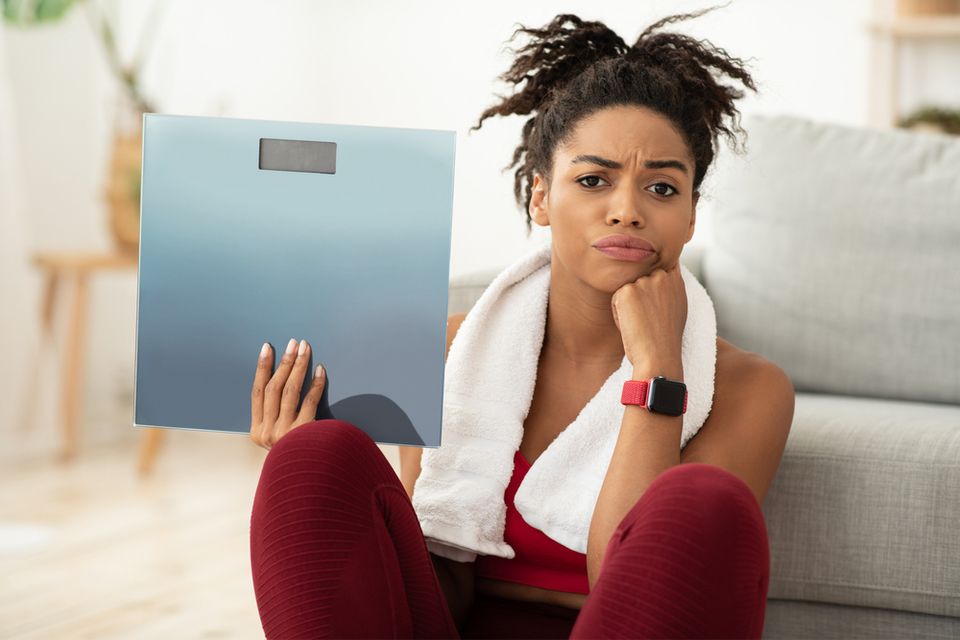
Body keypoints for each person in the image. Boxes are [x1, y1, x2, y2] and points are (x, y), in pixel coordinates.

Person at [249, 5, 796, 639]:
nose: (626, 210)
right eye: (594, 179)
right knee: (313, 455)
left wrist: (657, 371)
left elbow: (624, 577)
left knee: (704, 504)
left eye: (663, 189)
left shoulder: (750, 389)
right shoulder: (457, 351)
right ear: (541, 195)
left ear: (692, 214)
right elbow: (443, 586)